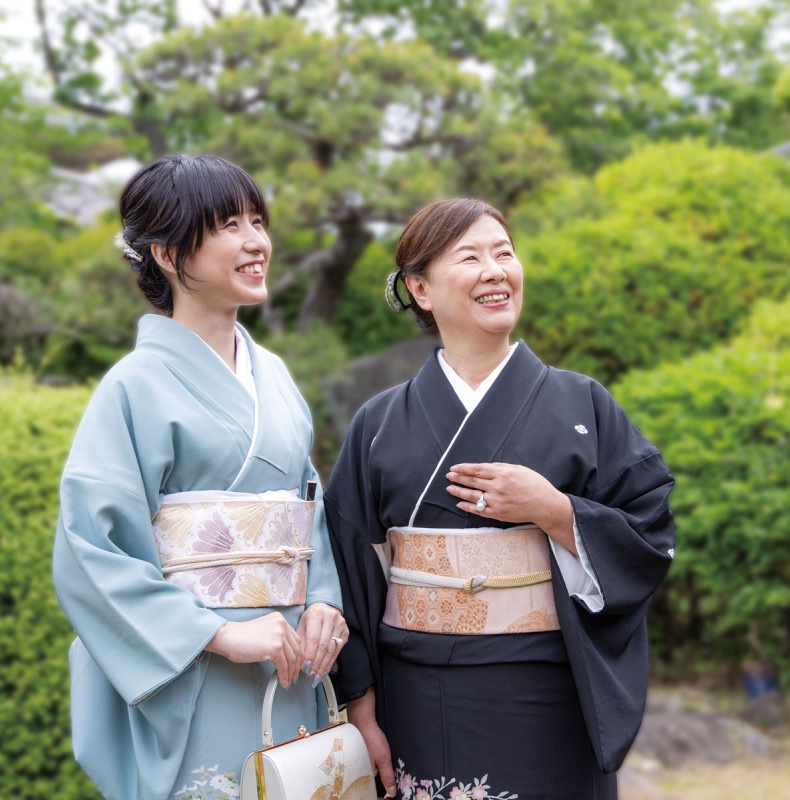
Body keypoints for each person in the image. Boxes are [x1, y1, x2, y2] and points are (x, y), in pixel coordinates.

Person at [324, 198, 676, 799]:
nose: (495, 271)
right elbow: (347, 573)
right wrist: (360, 706)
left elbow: (649, 534)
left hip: (547, 694)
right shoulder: (378, 423)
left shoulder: (584, 405)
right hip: (418, 695)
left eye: (504, 253)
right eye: (470, 258)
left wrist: (553, 510)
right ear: (420, 289)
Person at [53, 154, 347, 800]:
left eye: (257, 222)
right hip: (198, 669)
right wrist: (217, 633)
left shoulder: (274, 375)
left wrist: (325, 600)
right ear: (166, 254)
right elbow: (90, 548)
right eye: (228, 226)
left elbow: (309, 507)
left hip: (289, 658)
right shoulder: (133, 387)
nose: (256, 242)